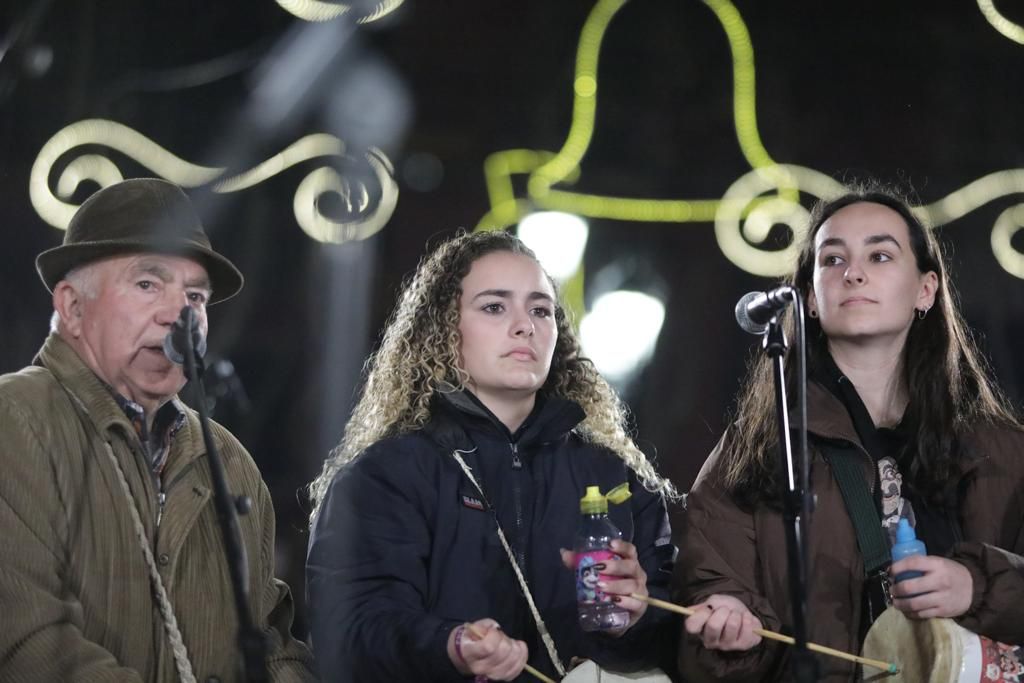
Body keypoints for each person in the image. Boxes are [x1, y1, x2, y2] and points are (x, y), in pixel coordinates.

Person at [678, 184, 1024, 681]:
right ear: (811, 300)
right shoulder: (754, 453)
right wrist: (728, 633)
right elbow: (702, 600)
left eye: (880, 255)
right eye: (832, 259)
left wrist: (979, 588)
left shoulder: (1004, 451)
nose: (853, 272)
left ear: (926, 289)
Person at [306, 229, 677, 682]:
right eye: (494, 307)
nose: (526, 325)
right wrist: (452, 645)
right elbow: (349, 630)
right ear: (443, 327)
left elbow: (676, 638)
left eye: (541, 310)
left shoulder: (616, 476)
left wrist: (640, 617)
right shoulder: (386, 475)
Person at [0, 178, 314, 681]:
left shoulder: (229, 462)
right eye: (148, 283)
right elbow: (27, 643)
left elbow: (273, 643)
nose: (178, 315)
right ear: (73, 307)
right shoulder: (13, 420)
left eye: (195, 295)